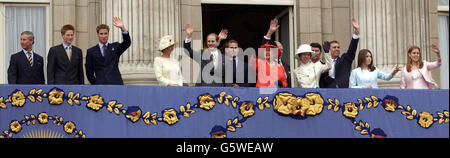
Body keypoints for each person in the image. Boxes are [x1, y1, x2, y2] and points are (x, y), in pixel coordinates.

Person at [85, 17, 131, 85]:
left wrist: (123, 28)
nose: (104, 36)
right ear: (98, 34)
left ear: (108, 34)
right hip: (99, 85)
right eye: (101, 34)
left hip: (115, 84)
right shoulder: (91, 51)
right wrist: (96, 83)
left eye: (105, 33)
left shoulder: (115, 47)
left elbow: (127, 43)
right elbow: (89, 71)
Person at [319, 18, 361, 88]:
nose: (337, 49)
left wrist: (356, 33)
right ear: (329, 49)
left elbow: (352, 49)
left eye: (338, 47)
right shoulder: (323, 64)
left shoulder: (345, 60)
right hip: (328, 93)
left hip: (343, 92)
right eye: (334, 47)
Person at [261, 18, 291, 87]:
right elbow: (262, 48)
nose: (280, 52)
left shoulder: (285, 66)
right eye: (278, 49)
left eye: (282, 50)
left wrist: (282, 84)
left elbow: (287, 84)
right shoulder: (264, 62)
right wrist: (269, 33)